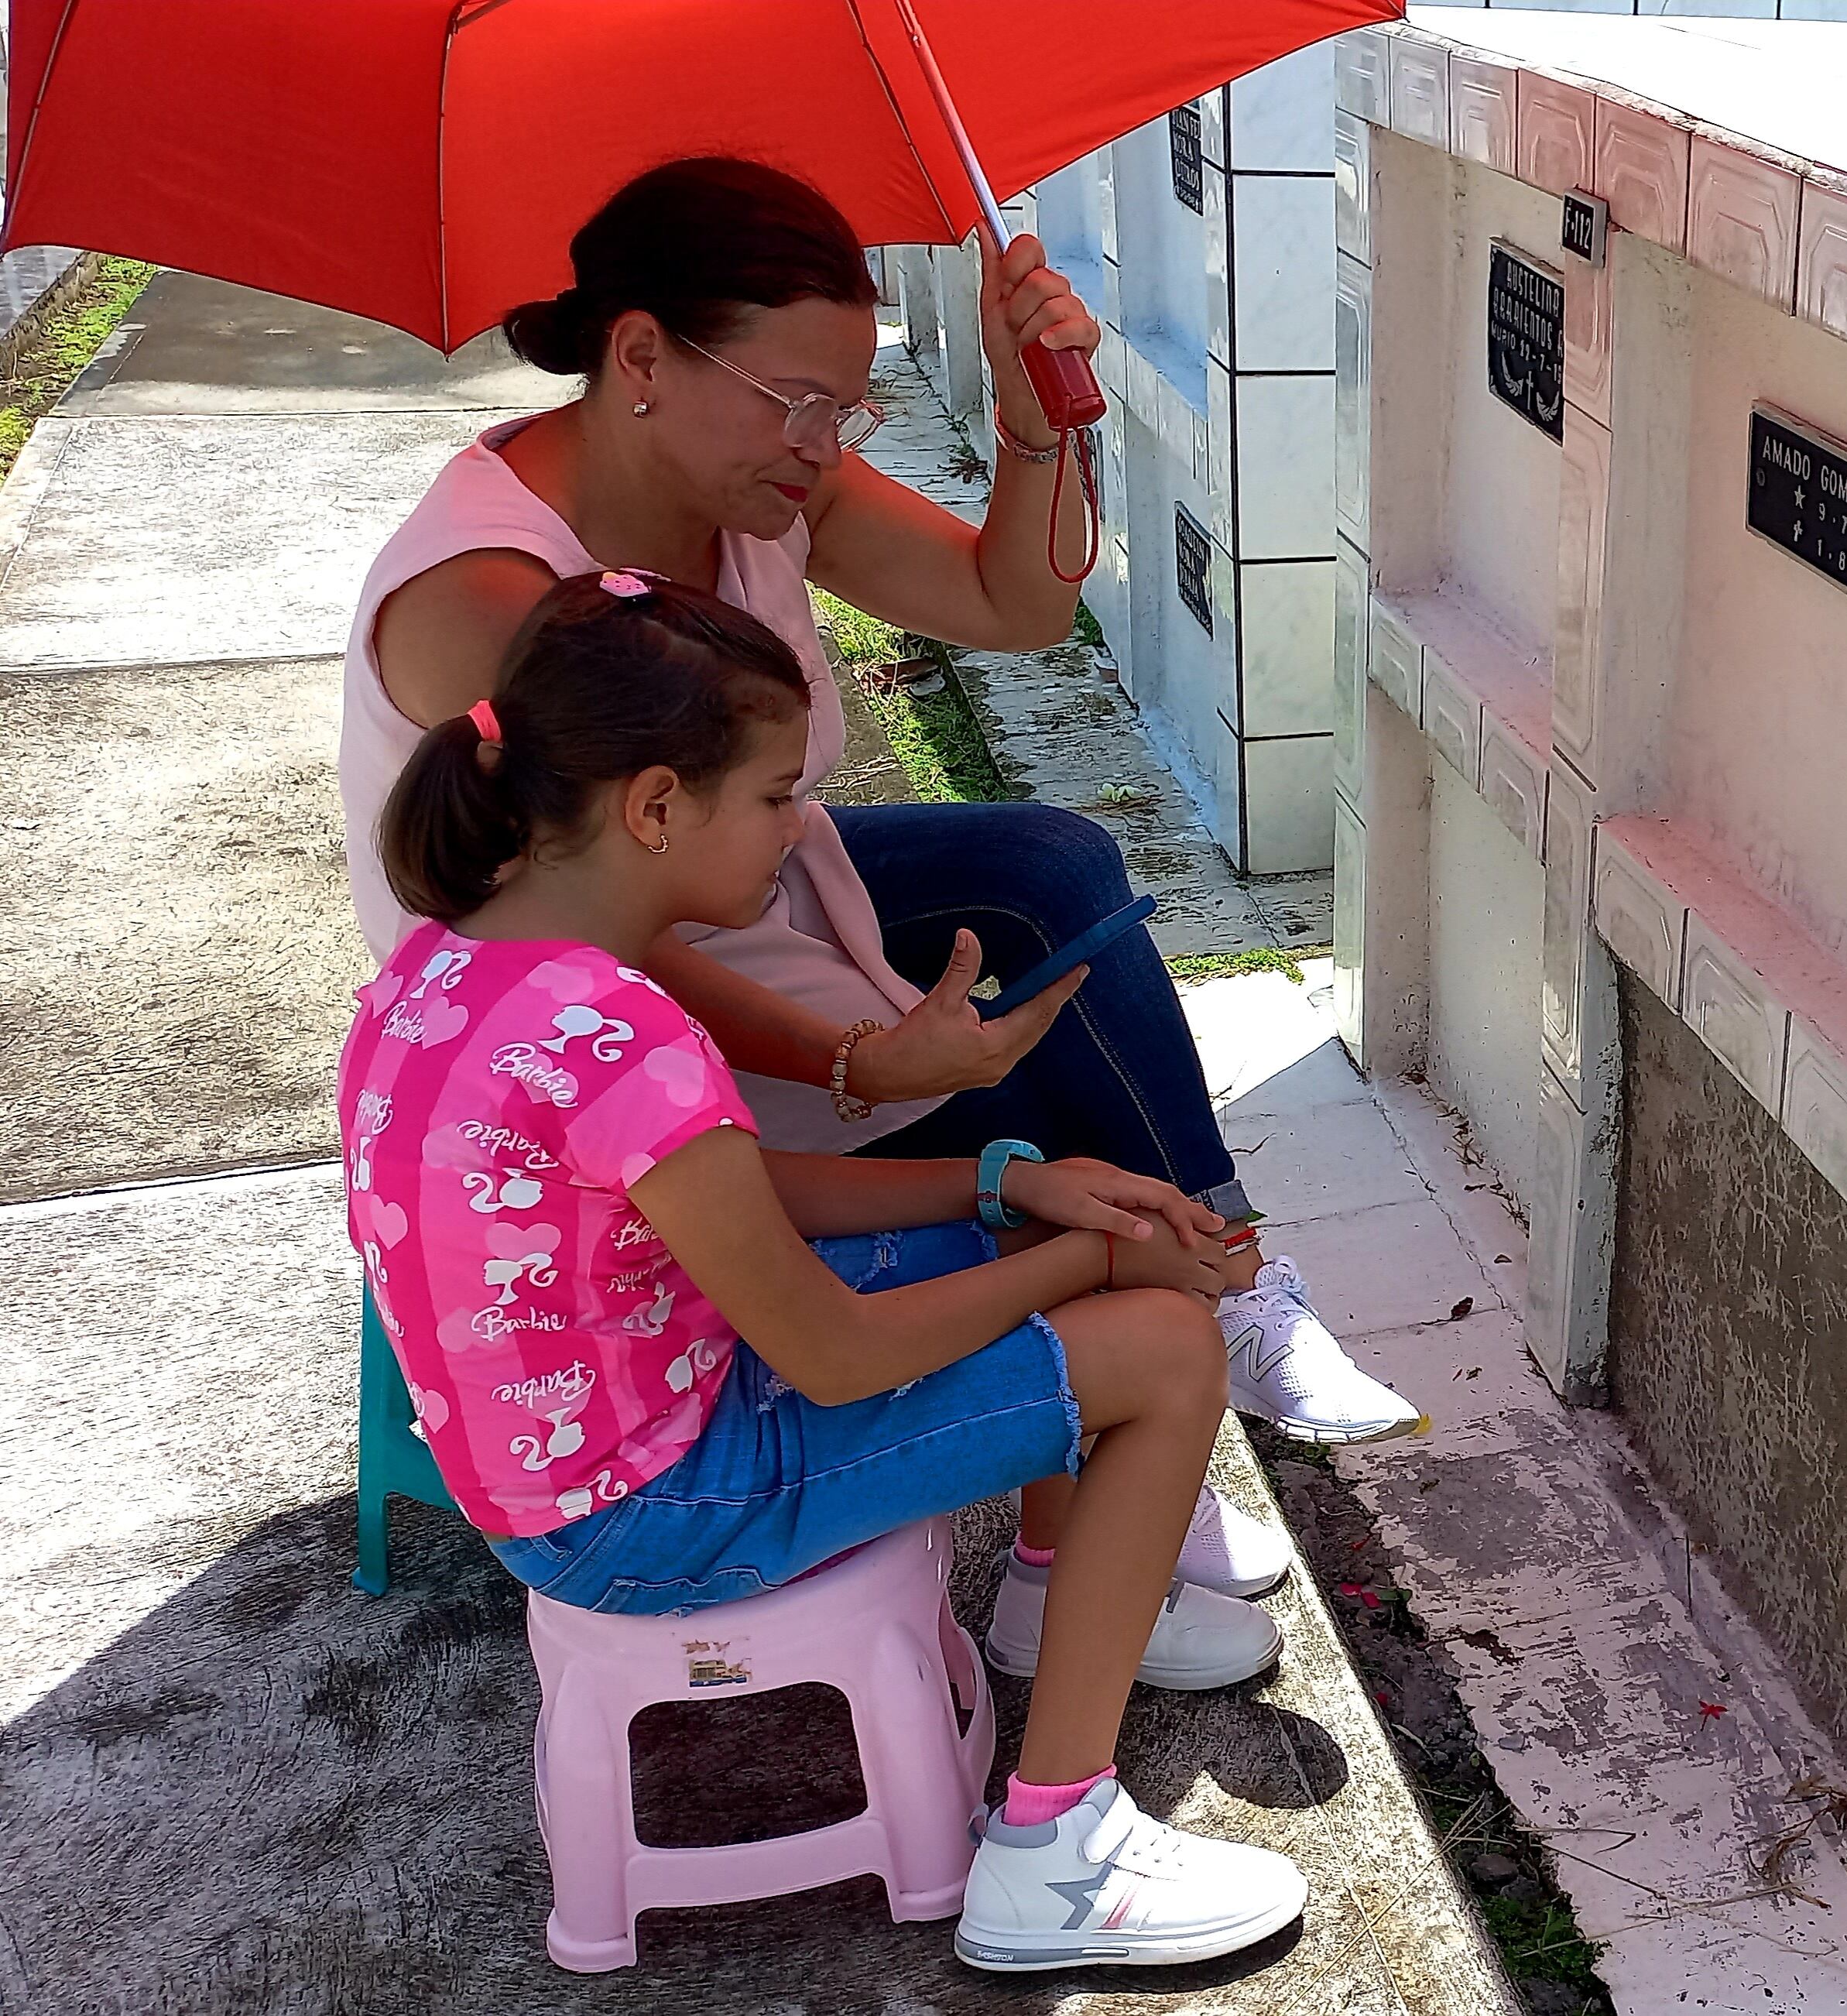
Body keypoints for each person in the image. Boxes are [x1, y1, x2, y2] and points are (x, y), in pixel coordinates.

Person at [338, 157, 1421, 1615]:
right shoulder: (488, 601)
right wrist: (858, 1056)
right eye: (796, 399)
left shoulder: (764, 486)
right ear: (643, 354)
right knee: (993, 1090)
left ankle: (1207, 1278)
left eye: (843, 407)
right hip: (573, 1015)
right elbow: (613, 960)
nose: (822, 441)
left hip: (743, 900)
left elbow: (1012, 607)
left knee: (1047, 875)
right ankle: (1120, 1397)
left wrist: (1038, 432)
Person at [342, 571, 1308, 1970]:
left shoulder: (446, 973)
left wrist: (1009, 1183)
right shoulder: (629, 1037)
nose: (801, 832)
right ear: (658, 807)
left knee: (1064, 1265)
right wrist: (1087, 1254)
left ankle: (1059, 1590)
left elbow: (748, 1195)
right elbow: (834, 1359)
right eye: (776, 797)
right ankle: (1055, 1852)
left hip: (588, 1464)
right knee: (1164, 1346)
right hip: (656, 1506)